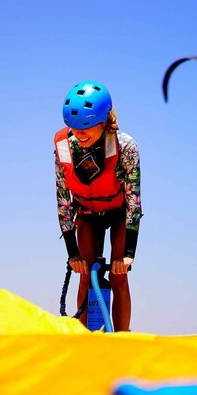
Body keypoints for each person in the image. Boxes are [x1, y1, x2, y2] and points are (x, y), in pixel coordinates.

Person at [54, 81, 141, 332]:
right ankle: (84, 340)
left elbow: (134, 200)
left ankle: (122, 338)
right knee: (85, 276)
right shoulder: (64, 149)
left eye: (87, 127)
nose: (80, 134)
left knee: (118, 276)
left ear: (104, 122)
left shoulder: (126, 147)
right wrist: (73, 254)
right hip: (86, 214)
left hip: (119, 214)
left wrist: (128, 255)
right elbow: (63, 202)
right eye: (74, 127)